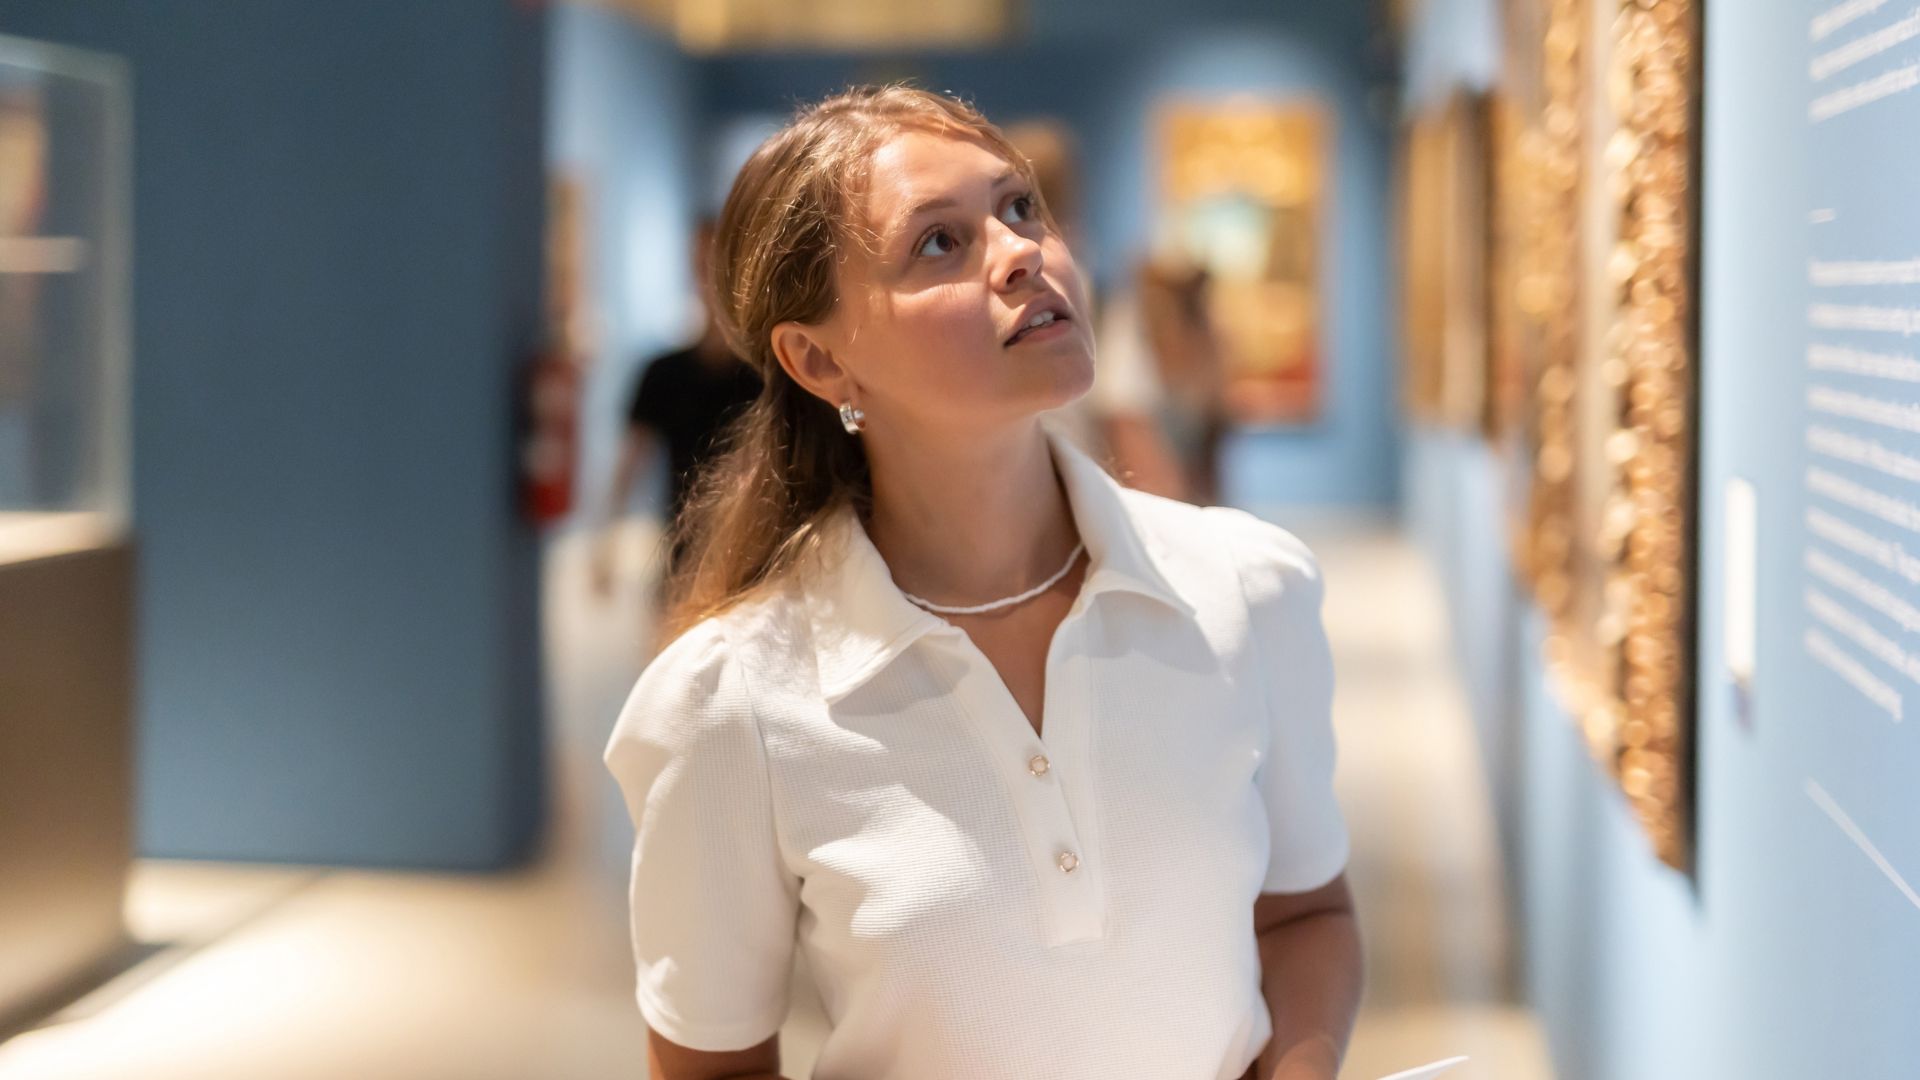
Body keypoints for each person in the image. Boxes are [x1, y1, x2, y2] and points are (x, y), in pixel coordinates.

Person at [602, 85, 1360, 1080]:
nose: (1020, 254)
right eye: (938, 244)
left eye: (1019, 208)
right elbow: (711, 1066)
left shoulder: (1247, 590)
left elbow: (1307, 915)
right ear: (820, 359)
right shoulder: (733, 702)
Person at [592, 219, 762, 605]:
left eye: (716, 263)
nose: (707, 277)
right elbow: (629, 463)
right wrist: (604, 547)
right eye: (700, 264)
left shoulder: (770, 374)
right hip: (683, 561)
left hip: (760, 564)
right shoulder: (663, 373)